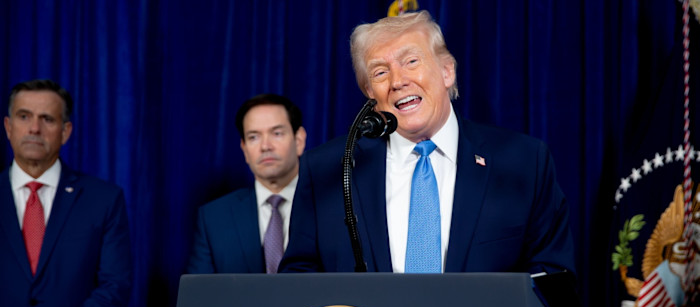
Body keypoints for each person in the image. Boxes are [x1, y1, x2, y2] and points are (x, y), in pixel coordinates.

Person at [279, 11, 575, 275]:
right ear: (370, 92)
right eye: (381, 72)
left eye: (411, 61)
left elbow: (551, 277)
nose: (398, 81)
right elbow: (300, 278)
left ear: (447, 71)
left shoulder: (523, 162)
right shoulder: (328, 170)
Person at [0, 79, 132, 307]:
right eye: (24, 116)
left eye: (47, 119)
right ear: (8, 126)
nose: (34, 128)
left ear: (66, 131)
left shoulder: (104, 199)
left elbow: (114, 288)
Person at [186, 94, 307, 274]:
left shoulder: (330, 208)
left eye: (277, 133)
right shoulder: (214, 218)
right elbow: (200, 297)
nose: (265, 146)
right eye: (253, 137)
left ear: (299, 141)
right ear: (244, 149)